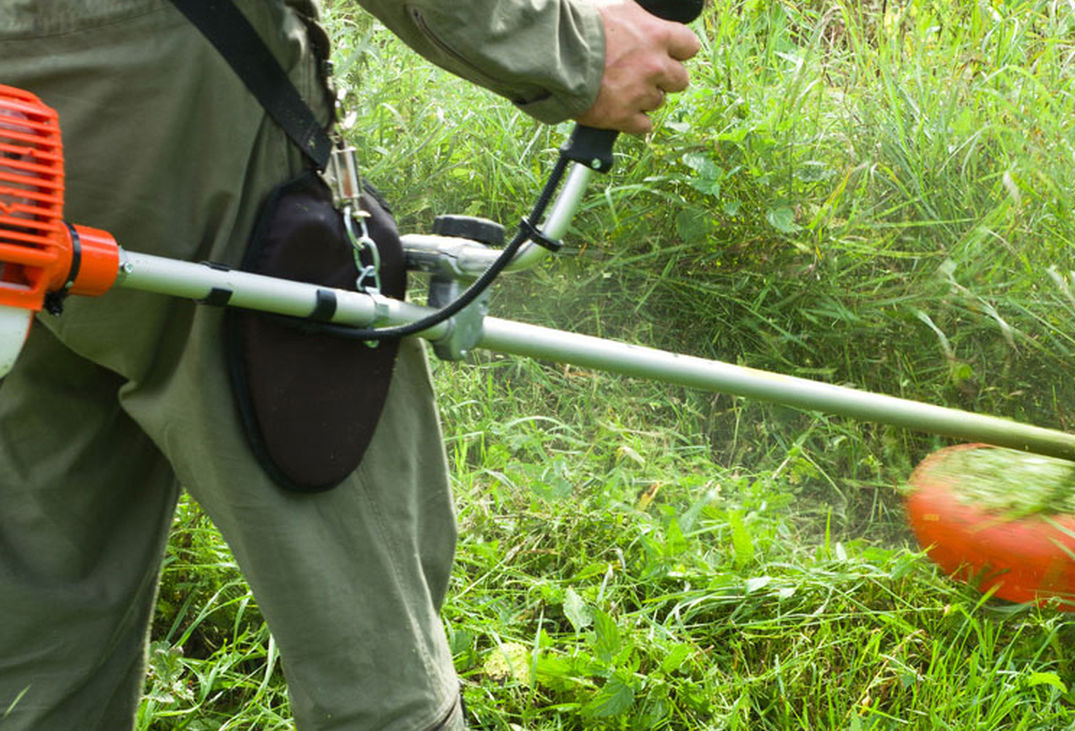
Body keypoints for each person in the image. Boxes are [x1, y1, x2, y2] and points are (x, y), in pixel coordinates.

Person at [0, 1, 699, 728]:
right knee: (370, 632)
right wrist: (578, 52)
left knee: (38, 621)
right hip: (178, 104)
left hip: (18, 126)